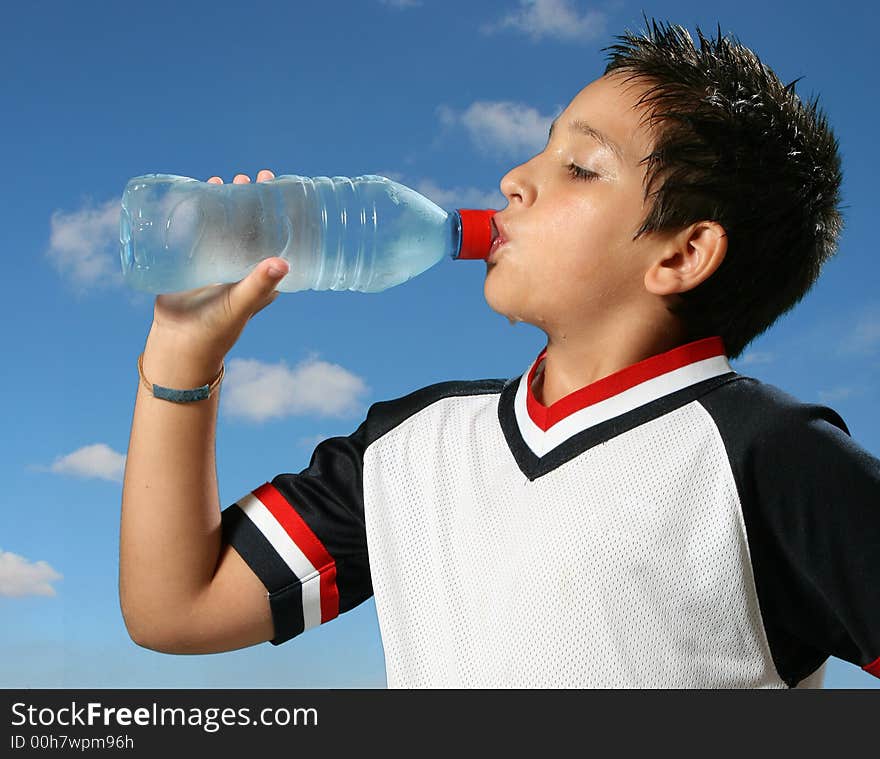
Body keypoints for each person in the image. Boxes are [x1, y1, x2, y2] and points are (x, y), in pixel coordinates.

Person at [119, 19, 880, 688]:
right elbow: (175, 608)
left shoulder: (772, 457)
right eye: (538, 152)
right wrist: (183, 355)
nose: (515, 180)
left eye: (580, 167)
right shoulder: (406, 450)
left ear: (683, 254)